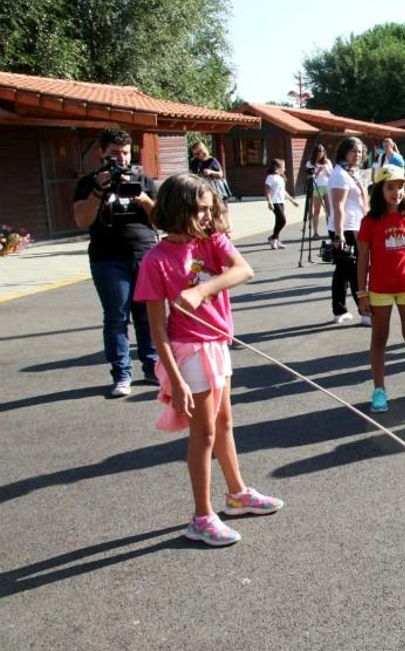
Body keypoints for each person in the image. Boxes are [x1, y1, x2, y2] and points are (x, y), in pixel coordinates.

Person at [134, 173, 282, 547]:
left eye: (208, 209)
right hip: (190, 350)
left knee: (225, 422)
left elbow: (244, 269)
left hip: (216, 344)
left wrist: (202, 289)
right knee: (205, 433)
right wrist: (177, 380)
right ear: (177, 209)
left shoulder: (211, 241)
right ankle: (201, 516)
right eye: (198, 210)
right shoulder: (155, 260)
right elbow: (158, 331)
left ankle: (236, 494)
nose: (205, 216)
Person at [72, 127, 160, 397]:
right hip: (107, 258)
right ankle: (121, 375)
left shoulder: (143, 181)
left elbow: (161, 220)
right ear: (102, 153)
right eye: (114, 153)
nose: (121, 158)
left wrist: (142, 198)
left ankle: (152, 367)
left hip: (144, 253)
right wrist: (98, 192)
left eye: (124, 152)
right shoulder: (89, 183)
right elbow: (81, 220)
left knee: (147, 316)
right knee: (116, 318)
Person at [356, 165, 405, 412]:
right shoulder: (369, 221)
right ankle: (379, 390)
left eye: (400, 187)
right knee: (379, 339)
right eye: (390, 187)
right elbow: (363, 259)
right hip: (379, 290)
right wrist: (361, 292)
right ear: (379, 189)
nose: (396, 192)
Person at [328, 136, 370, 326]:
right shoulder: (339, 174)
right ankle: (365, 312)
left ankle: (339, 310)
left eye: (360, 151)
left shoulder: (351, 172)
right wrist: (338, 235)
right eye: (354, 151)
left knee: (342, 272)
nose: (358, 154)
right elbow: (338, 207)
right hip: (346, 228)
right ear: (344, 151)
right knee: (355, 271)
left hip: (356, 225)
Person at [265, 159, 300, 250]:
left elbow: (283, 192)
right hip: (275, 202)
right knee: (282, 220)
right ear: (277, 167)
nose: (284, 169)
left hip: (281, 201)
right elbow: (267, 191)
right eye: (283, 167)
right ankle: (273, 238)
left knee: (278, 222)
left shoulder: (280, 178)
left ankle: (276, 240)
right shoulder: (270, 177)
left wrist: (292, 201)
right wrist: (269, 202)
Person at [308, 144, 333, 237]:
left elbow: (332, 175)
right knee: (317, 211)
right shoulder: (310, 163)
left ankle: (332, 231)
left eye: (322, 152)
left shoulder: (328, 162)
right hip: (317, 187)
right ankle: (315, 232)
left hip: (327, 187)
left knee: (329, 210)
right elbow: (311, 177)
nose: (320, 155)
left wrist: (326, 170)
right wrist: (318, 171)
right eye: (319, 153)